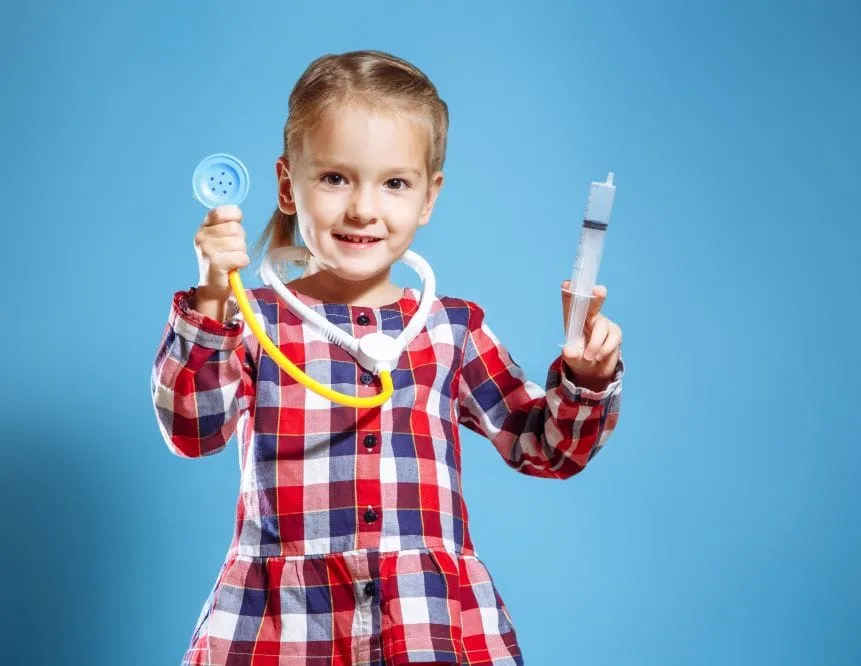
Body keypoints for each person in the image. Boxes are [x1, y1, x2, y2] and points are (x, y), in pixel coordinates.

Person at [151, 50, 624, 666]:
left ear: (429, 198)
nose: (363, 209)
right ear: (288, 185)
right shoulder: (253, 320)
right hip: (288, 628)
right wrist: (214, 296)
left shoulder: (451, 329)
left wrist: (587, 380)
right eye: (335, 177)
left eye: (395, 183)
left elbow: (547, 448)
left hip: (422, 622)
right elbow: (192, 430)